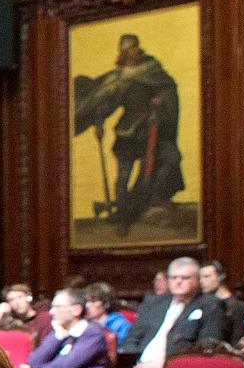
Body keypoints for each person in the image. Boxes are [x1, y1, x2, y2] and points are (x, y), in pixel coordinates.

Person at [73, 34, 185, 235]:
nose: (133, 51)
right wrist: (98, 123)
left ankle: (143, 205)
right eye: (128, 48)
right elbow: (106, 103)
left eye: (135, 47)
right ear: (124, 52)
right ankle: (123, 218)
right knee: (123, 177)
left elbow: (168, 89)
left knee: (160, 164)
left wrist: (159, 101)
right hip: (126, 132)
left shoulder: (152, 69)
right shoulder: (119, 77)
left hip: (149, 130)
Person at [123, 256, 226, 368]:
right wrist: (136, 364)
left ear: (198, 280)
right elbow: (132, 339)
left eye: (185, 278)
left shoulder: (211, 305)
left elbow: (208, 346)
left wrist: (166, 364)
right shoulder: (153, 303)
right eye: (173, 277)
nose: (178, 281)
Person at [20, 289, 110, 368]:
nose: (51, 312)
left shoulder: (92, 333)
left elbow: (66, 366)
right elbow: (33, 362)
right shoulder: (60, 332)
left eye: (57, 307)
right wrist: (57, 336)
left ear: (76, 310)